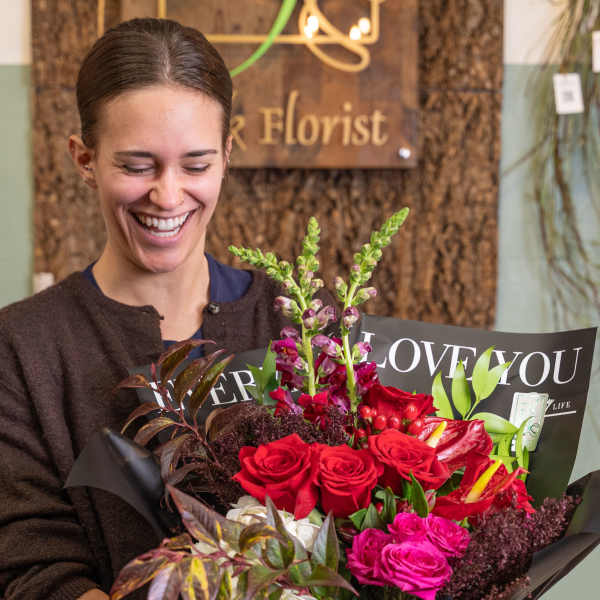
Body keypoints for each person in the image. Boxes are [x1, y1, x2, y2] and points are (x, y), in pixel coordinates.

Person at [0, 18, 332, 600]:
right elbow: (30, 564)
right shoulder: (22, 346)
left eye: (196, 165)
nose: (169, 195)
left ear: (227, 155)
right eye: (136, 166)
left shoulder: (299, 324)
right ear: (84, 159)